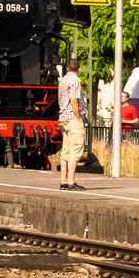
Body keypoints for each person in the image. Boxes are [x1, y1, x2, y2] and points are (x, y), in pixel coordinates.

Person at [58, 57, 87, 191]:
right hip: (72, 117)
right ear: (79, 69)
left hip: (64, 117)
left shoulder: (63, 80)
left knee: (66, 150)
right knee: (75, 150)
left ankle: (63, 180)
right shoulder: (75, 81)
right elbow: (74, 101)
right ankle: (71, 181)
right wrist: (78, 118)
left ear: (67, 68)